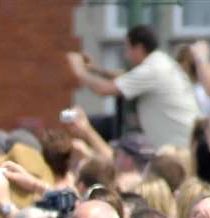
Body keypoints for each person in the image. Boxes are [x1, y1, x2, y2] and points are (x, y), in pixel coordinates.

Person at [65, 25, 197, 151]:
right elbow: (126, 78)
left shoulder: (152, 69)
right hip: (184, 143)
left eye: (127, 49)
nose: (126, 55)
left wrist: (79, 72)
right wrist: (95, 69)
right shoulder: (161, 62)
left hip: (179, 147)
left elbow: (104, 89)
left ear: (139, 48)